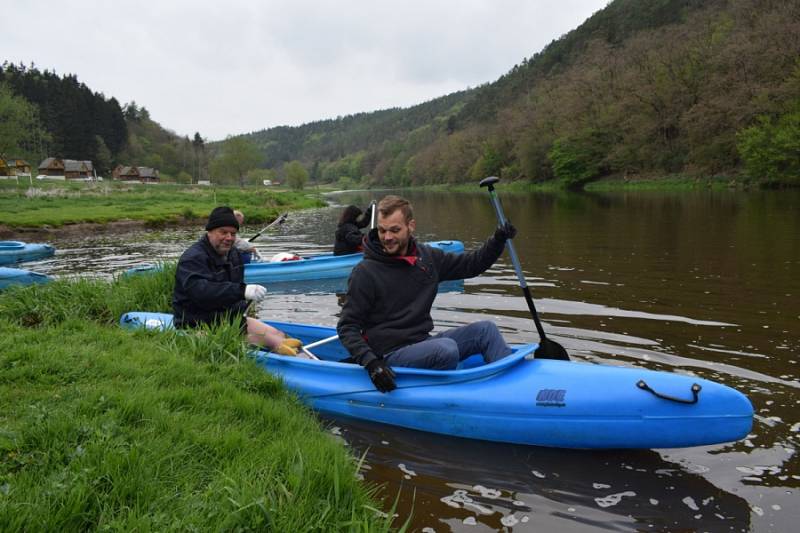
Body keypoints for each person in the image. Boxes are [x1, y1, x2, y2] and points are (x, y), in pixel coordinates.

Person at [336, 195, 517, 393]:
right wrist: (372, 365)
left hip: (422, 343)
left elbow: (471, 265)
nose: (387, 237)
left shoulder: (427, 257)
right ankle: (454, 395)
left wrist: (498, 240)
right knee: (446, 350)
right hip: (389, 355)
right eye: (382, 230)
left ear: (410, 226)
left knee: (486, 331)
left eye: (394, 230)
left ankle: (511, 387)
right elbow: (347, 326)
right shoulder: (365, 272)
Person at [173, 206, 301, 355]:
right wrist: (242, 291)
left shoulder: (234, 254)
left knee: (278, 336)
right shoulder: (193, 258)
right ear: (210, 231)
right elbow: (201, 292)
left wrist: (245, 304)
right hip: (197, 324)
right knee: (228, 348)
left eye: (233, 233)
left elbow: (234, 292)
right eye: (223, 232)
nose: (229, 238)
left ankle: (298, 358)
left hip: (228, 319)